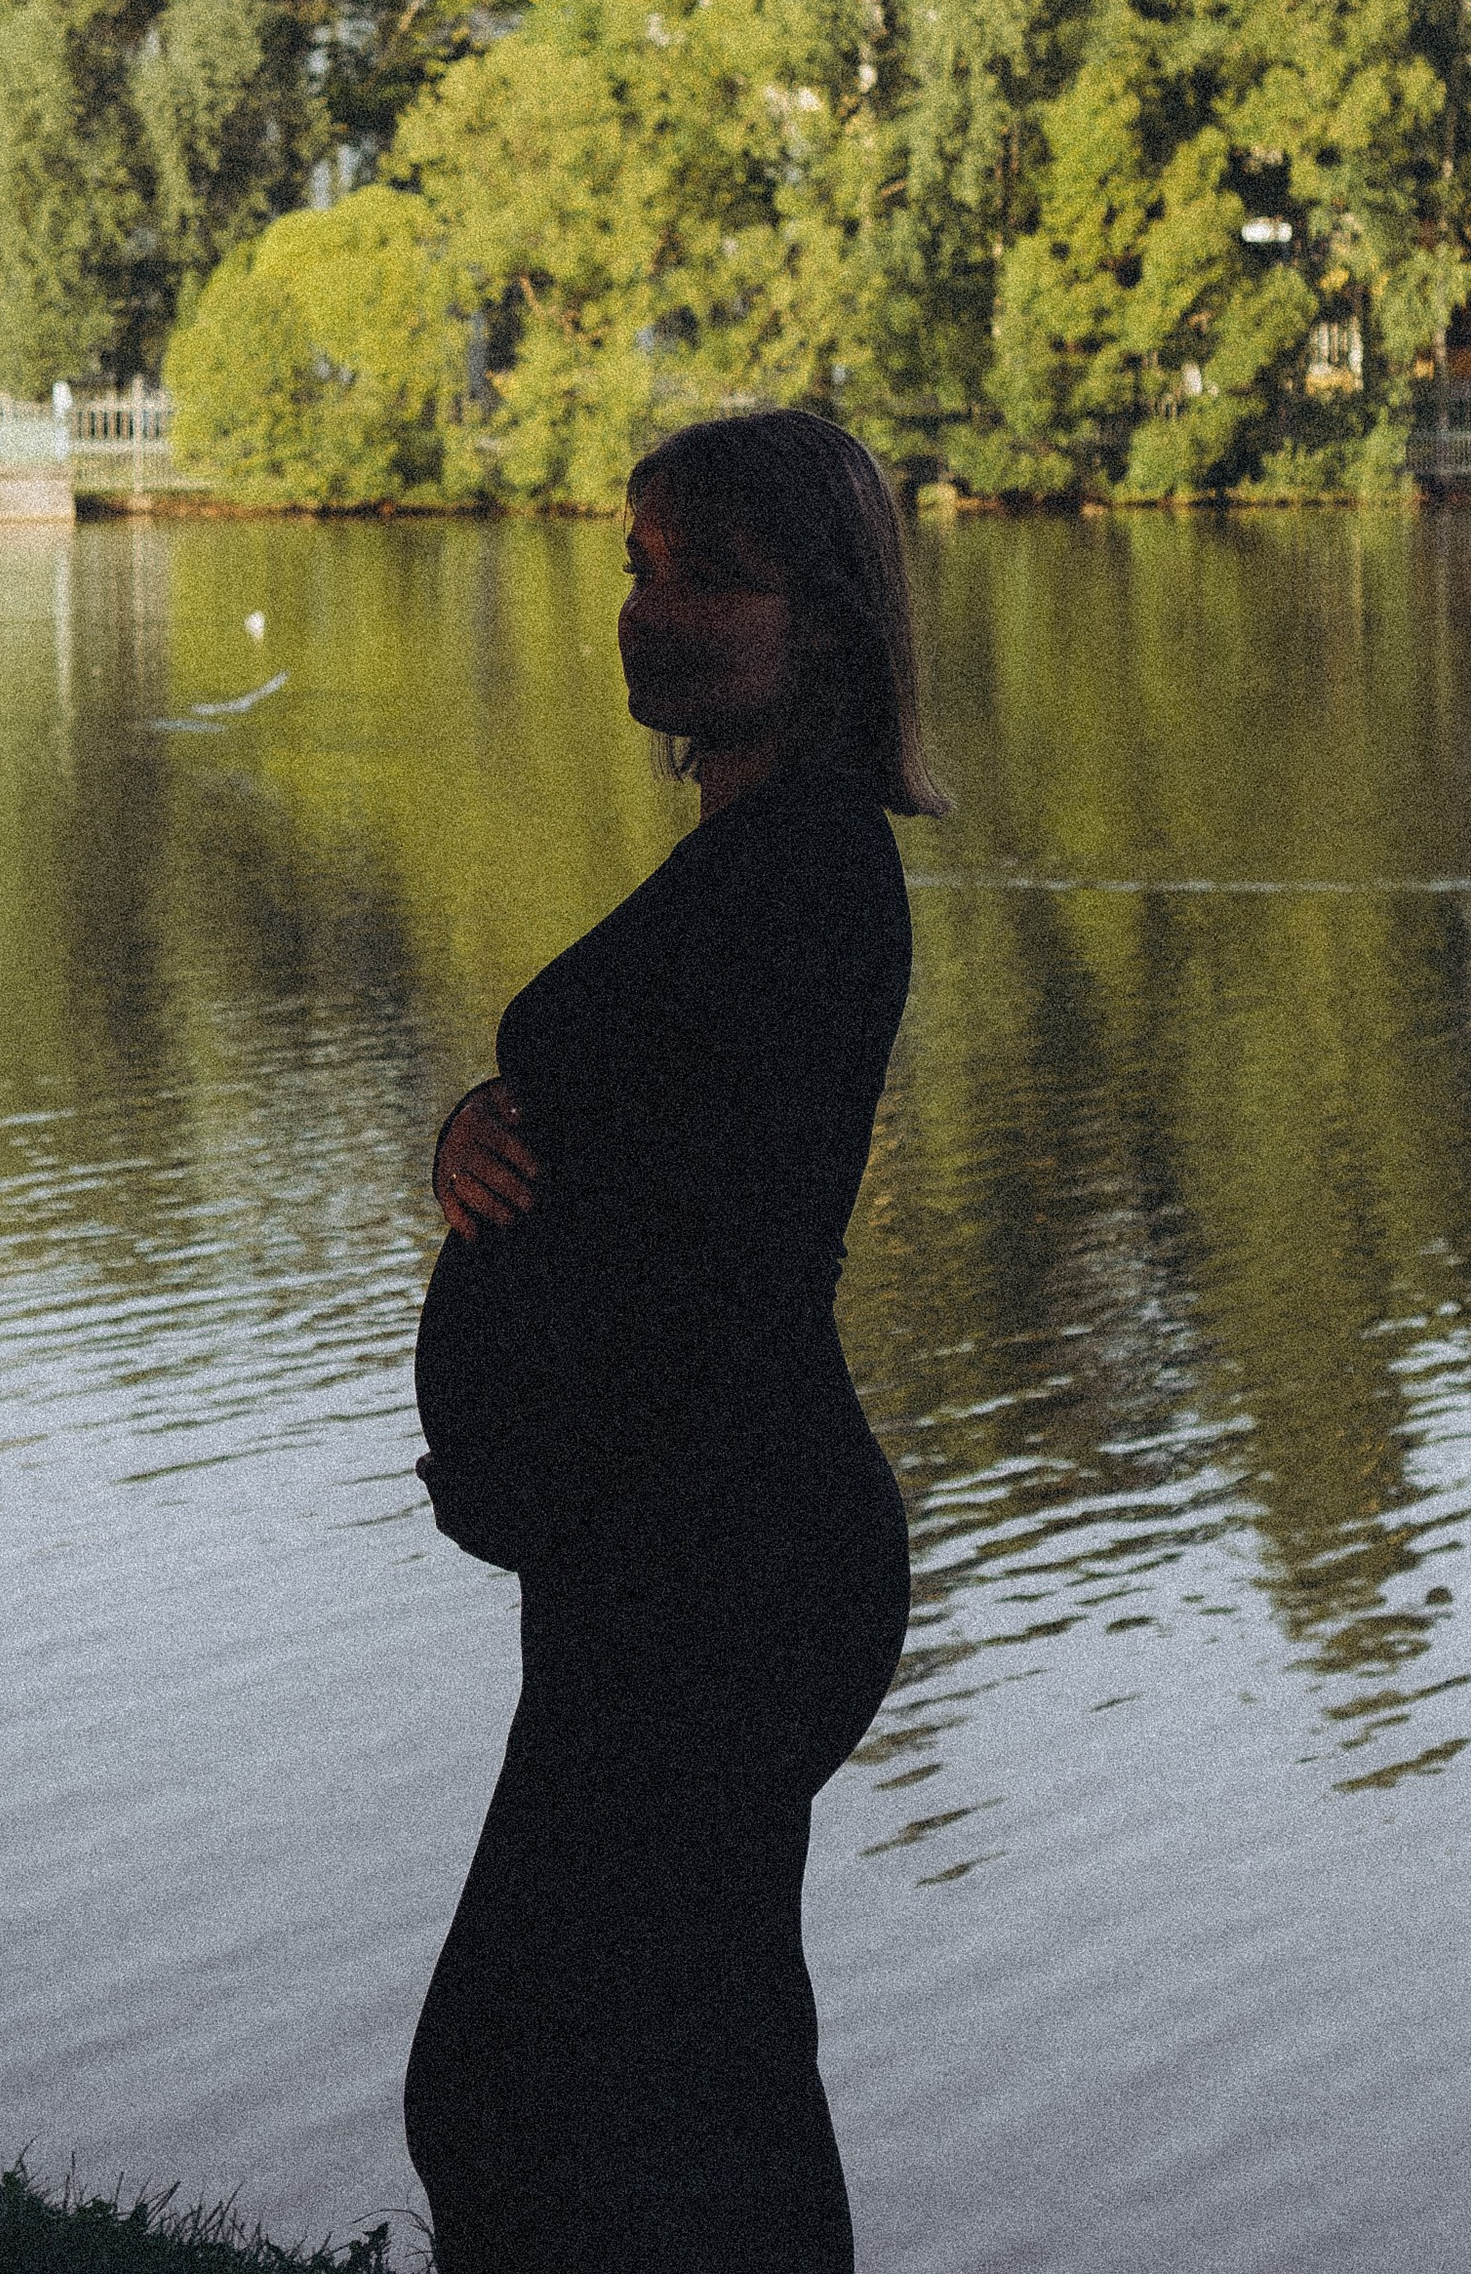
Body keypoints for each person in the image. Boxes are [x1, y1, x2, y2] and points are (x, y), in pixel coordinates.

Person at [406, 408, 948, 2274]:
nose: (654, 613)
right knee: (664, 2066)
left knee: (534, 2079)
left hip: (719, 1557)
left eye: (712, 576)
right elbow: (622, 1130)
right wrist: (482, 1129)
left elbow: (703, 1239)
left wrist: (525, 1357)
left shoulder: (807, 872)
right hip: (672, 1551)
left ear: (831, 619)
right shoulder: (746, 860)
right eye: (641, 567)